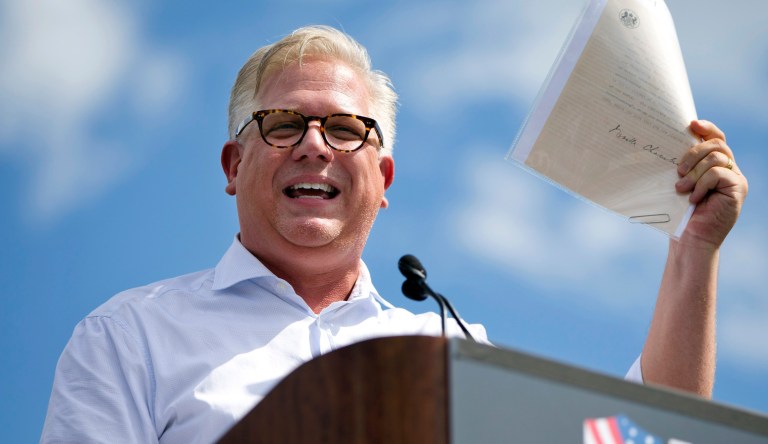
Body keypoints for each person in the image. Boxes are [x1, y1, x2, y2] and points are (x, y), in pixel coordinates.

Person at [40, 25, 748, 443]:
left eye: (346, 129)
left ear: (382, 179)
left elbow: (650, 432)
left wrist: (694, 248)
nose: (314, 145)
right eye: (283, 124)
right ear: (233, 165)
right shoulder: (128, 337)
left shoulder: (450, 350)